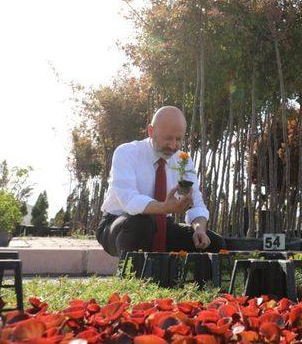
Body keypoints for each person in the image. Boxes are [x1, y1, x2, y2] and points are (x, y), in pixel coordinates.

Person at [96, 106, 225, 257]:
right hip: (118, 224)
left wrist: (199, 228)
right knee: (141, 224)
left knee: (215, 244)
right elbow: (129, 201)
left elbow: (196, 203)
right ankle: (133, 278)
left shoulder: (183, 161)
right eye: (168, 138)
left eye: (178, 139)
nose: (173, 146)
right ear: (151, 131)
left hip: (162, 225)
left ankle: (184, 280)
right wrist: (164, 207)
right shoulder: (126, 153)